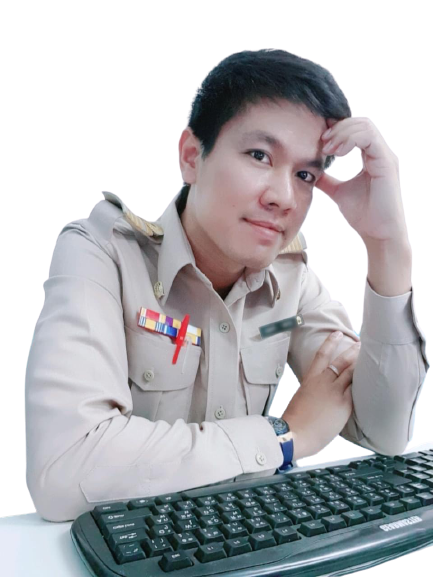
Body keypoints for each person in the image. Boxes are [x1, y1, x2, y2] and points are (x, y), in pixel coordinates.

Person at [24, 49, 429, 523]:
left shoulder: (291, 279)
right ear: (191, 156)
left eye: (305, 174)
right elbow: (64, 470)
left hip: (246, 542)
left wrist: (387, 248)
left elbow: (384, 431)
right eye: (259, 155)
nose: (283, 197)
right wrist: (283, 438)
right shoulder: (101, 253)